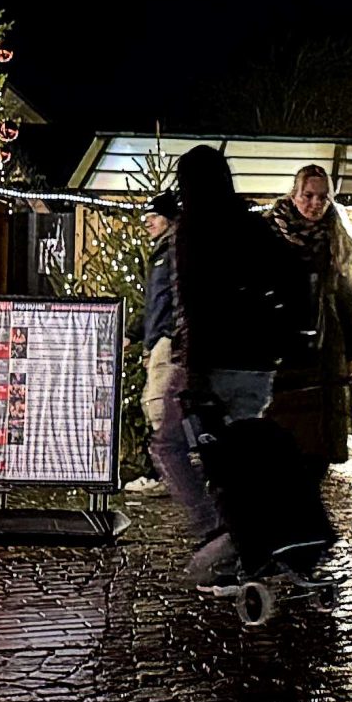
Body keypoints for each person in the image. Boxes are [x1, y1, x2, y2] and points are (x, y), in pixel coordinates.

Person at [169, 144, 306, 582]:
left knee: (176, 446)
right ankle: (250, 545)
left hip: (215, 365)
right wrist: (280, 333)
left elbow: (195, 306)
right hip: (258, 366)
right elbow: (294, 274)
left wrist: (194, 371)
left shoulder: (193, 230)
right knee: (241, 459)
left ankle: (226, 540)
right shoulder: (250, 223)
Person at [262, 164, 352, 470]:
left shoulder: (338, 238)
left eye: (322, 197)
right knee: (280, 431)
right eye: (308, 195)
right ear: (295, 194)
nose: (315, 204)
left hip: (325, 345)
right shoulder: (269, 231)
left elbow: (348, 300)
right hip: (279, 343)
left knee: (316, 439)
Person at [134, 192, 219, 535]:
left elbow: (171, 298)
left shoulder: (172, 249)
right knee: (161, 407)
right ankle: (182, 471)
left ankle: (176, 476)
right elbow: (155, 301)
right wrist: (140, 335)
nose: (148, 223)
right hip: (161, 340)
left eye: (153, 217)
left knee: (160, 409)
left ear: (168, 218)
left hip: (170, 341)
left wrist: (164, 337)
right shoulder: (164, 248)